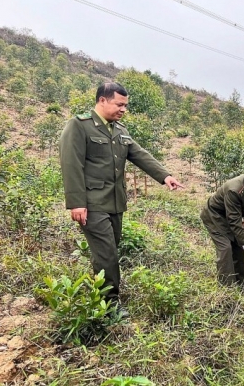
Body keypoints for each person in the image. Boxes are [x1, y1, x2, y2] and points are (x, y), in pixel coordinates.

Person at [59, 82, 183, 317]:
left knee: (107, 251)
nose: (123, 109)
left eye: (125, 105)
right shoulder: (79, 126)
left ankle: (99, 297)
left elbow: (140, 155)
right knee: (107, 254)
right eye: (119, 104)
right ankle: (110, 306)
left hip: (115, 203)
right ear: (102, 100)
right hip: (92, 203)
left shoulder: (119, 130)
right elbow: (71, 164)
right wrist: (76, 202)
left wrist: (165, 176)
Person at [200, 164, 244, 286]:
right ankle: (227, 288)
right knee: (226, 248)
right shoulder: (234, 190)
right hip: (214, 216)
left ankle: (239, 284)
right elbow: (234, 222)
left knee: (238, 245)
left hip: (229, 214)